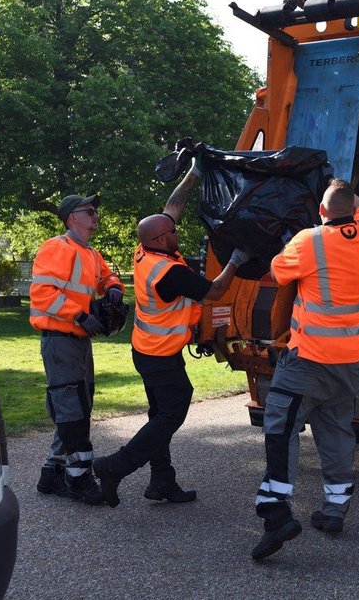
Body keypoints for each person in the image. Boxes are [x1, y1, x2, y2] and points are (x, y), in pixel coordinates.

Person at [92, 168, 251, 508]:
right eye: (174, 231)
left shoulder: (146, 249)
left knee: (159, 415)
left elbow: (172, 206)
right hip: (160, 356)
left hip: (146, 350)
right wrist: (238, 258)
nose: (177, 230)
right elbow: (216, 290)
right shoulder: (171, 273)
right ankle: (113, 467)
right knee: (171, 413)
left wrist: (194, 172)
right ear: (163, 239)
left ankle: (162, 481)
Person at [251, 178, 359, 561]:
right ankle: (335, 510)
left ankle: (276, 509)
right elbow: (356, 203)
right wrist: (336, 186)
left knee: (280, 426)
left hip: (306, 361)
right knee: (337, 432)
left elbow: (277, 272)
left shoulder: (309, 241)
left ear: (321, 212)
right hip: (347, 363)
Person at [30, 194, 124, 505]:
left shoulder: (90, 253)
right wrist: (80, 315)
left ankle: (52, 472)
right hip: (61, 339)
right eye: (90, 212)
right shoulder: (57, 247)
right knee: (72, 409)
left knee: (78, 406)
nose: (96, 216)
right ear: (73, 218)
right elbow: (43, 293)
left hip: (78, 341)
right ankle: (79, 478)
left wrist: (111, 287)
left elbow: (106, 275)